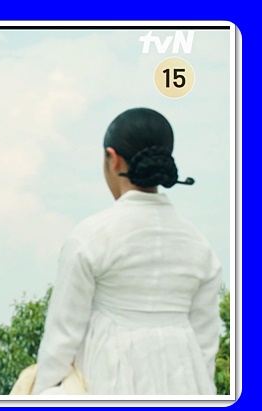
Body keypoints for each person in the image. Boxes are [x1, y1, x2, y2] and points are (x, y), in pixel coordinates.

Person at [31, 107, 223, 395]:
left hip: (110, 381)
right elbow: (206, 342)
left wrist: (41, 394)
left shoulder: (91, 237)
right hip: (186, 387)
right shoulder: (199, 245)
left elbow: (62, 337)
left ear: (113, 158)